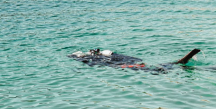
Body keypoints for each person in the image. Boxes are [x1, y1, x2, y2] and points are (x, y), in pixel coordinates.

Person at [69, 47, 200, 70]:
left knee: (145, 68)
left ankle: (175, 65)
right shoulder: (102, 55)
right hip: (129, 61)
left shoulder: (90, 59)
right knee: (143, 66)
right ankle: (177, 64)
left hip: (125, 63)